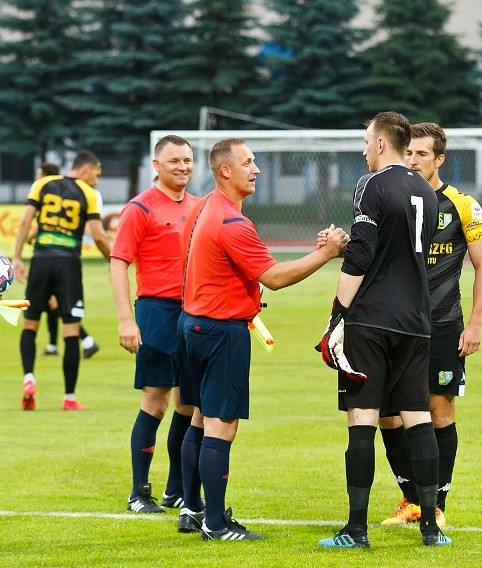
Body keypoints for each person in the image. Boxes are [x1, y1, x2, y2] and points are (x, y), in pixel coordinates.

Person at [179, 138, 348, 541]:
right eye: (248, 163)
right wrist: (327, 254)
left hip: (192, 324)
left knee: (200, 417)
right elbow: (273, 277)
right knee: (223, 424)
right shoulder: (234, 223)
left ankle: (192, 509)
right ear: (225, 171)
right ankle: (216, 524)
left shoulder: (203, 207)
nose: (255, 169)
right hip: (221, 331)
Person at [316, 112, 450, 549]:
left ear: (379, 144)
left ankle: (356, 531)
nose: (362, 149)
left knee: (362, 420)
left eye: (366, 141)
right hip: (416, 320)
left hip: (371, 319)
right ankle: (430, 528)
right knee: (418, 417)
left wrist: (338, 312)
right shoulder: (427, 192)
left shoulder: (371, 185)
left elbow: (362, 253)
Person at [377, 123, 482, 529]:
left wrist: (475, 324)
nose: (412, 160)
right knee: (386, 415)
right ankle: (411, 499)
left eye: (421, 154)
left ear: (439, 159)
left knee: (437, 410)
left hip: (442, 324)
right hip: (391, 324)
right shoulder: (390, 198)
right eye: (408, 153)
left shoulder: (462, 204)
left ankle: (436, 505)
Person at [109, 135, 200, 515]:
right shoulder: (139, 208)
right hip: (155, 312)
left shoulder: (199, 207)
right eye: (174, 160)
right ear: (157, 165)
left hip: (194, 311)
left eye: (188, 160)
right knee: (156, 400)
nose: (182, 167)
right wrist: (126, 319)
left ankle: (175, 489)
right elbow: (118, 262)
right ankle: (138, 492)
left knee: (189, 403)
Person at [12, 151, 111, 411]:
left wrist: (16, 257)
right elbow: (99, 237)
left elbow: (25, 221)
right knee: (71, 328)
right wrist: (115, 260)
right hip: (68, 262)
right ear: (87, 169)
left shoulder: (43, 184)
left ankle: (29, 378)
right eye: (97, 175)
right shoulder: (89, 194)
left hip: (41, 259)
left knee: (30, 324)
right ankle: (69, 397)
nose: (97, 181)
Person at [33, 162, 100, 360]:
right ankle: (58, 344)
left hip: (53, 260)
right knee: (56, 304)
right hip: (61, 261)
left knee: (57, 304)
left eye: (39, 174)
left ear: (46, 176)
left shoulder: (49, 193)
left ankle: (84, 340)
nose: (37, 178)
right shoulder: (67, 192)